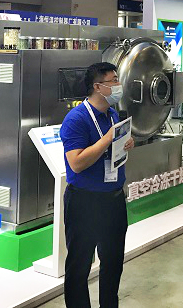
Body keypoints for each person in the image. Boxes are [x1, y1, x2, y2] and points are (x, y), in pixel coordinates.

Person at [60, 62, 135, 308]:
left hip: (113, 198)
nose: (118, 85)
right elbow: (77, 163)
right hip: (84, 201)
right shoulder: (76, 119)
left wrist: (125, 143)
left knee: (113, 261)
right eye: (113, 80)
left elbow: (112, 148)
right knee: (79, 264)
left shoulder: (112, 114)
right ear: (98, 87)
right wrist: (108, 139)